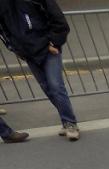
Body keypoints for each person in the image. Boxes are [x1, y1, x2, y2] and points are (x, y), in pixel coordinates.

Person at [0, 0, 79, 140]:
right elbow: (4, 30)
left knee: (56, 86)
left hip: (49, 49)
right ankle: (66, 120)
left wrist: (54, 42)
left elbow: (58, 20)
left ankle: (70, 123)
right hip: (29, 53)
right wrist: (15, 48)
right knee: (47, 88)